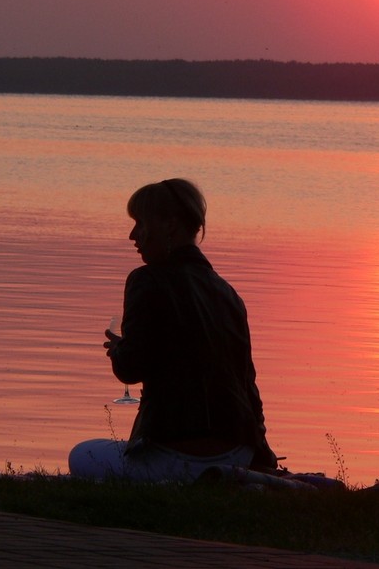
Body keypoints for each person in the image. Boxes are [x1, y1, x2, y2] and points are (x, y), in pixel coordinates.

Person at [69, 178, 278, 482]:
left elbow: (130, 368)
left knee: (82, 454)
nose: (133, 235)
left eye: (141, 223)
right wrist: (261, 453)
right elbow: (248, 385)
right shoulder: (229, 294)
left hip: (176, 454)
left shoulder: (147, 280)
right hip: (238, 452)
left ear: (170, 225)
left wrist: (118, 351)